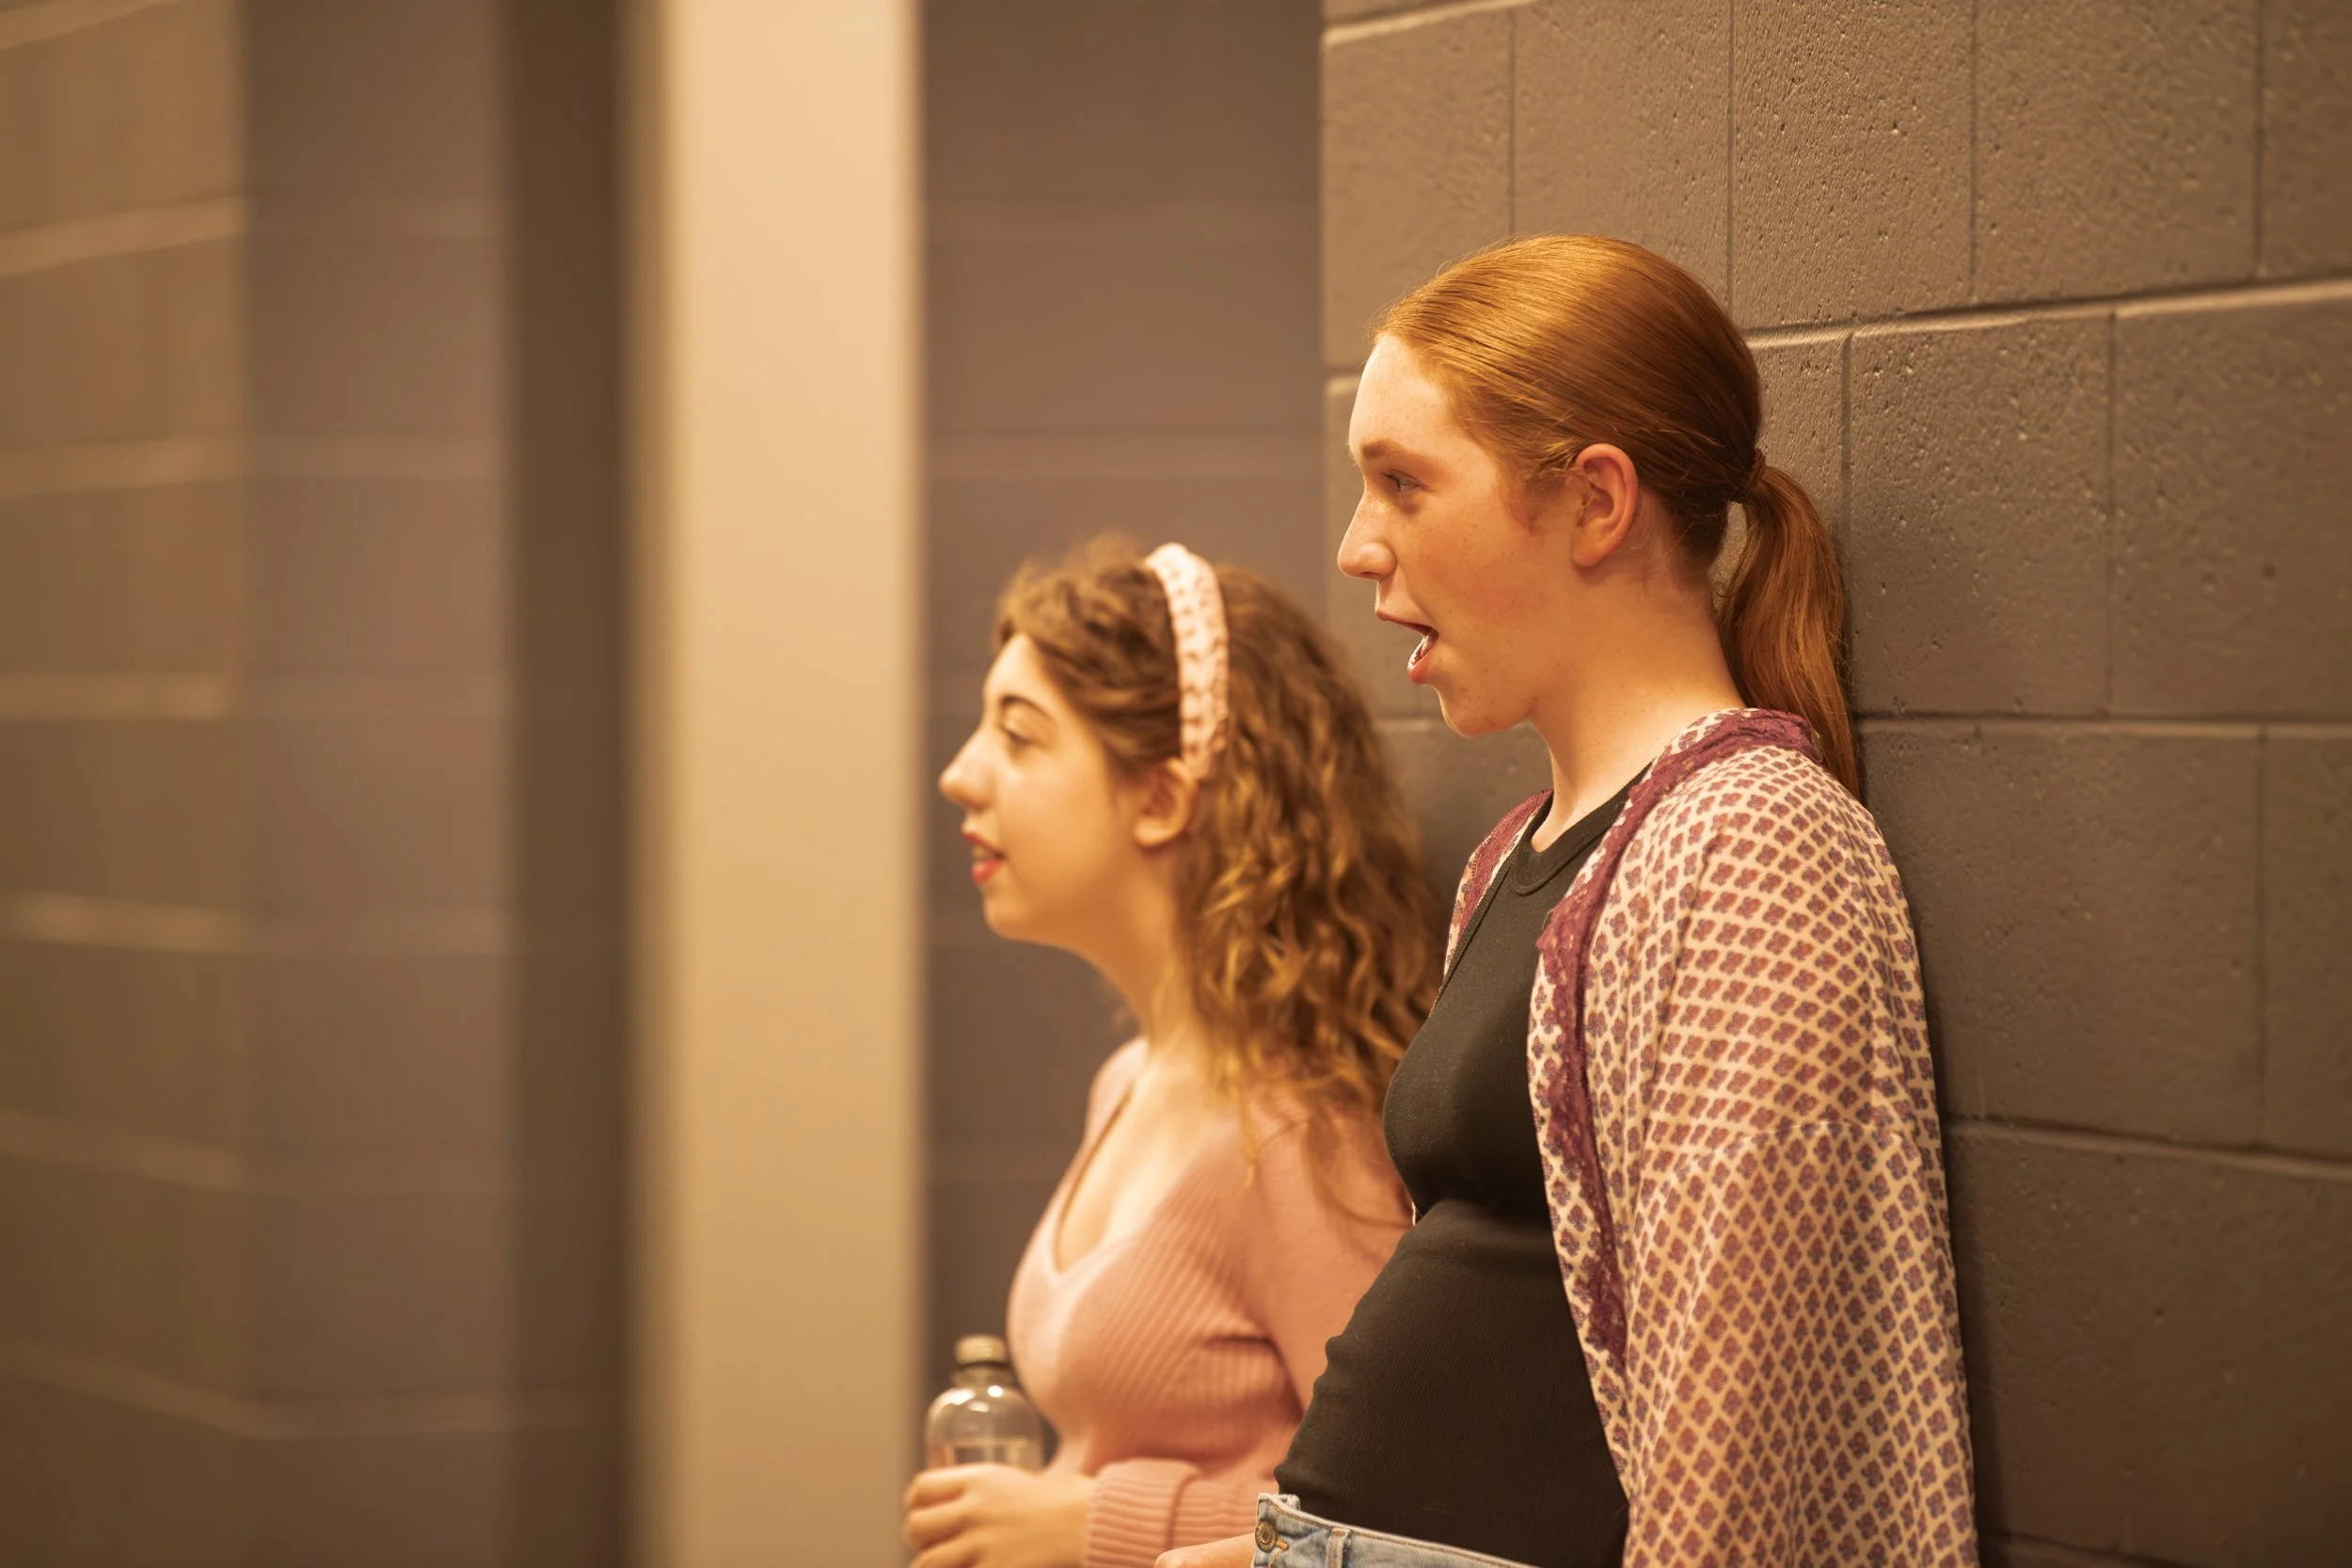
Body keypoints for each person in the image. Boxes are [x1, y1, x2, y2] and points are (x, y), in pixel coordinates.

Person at [1160, 235, 1976, 1568]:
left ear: (1596, 501)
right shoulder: (1520, 854)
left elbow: (1737, 1430)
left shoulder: (1752, 841)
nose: (1361, 548)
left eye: (1405, 484)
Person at [911, 539, 1441, 1568]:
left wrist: (1088, 1522)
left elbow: (1397, 1508)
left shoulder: (1298, 1128)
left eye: (1019, 738)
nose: (959, 774)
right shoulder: (1128, 1079)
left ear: (1160, 796)